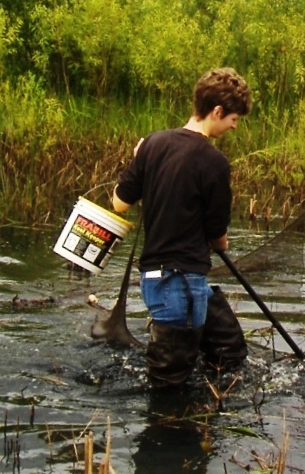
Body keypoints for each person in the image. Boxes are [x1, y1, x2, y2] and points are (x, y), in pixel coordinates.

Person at [111, 67, 252, 388]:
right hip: (181, 282)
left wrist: (138, 161)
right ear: (216, 111)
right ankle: (170, 430)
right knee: (169, 383)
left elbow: (119, 203)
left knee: (230, 349)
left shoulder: (153, 144)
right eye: (233, 118)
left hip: (155, 280)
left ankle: (206, 418)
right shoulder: (214, 162)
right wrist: (220, 241)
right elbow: (219, 237)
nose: (234, 125)